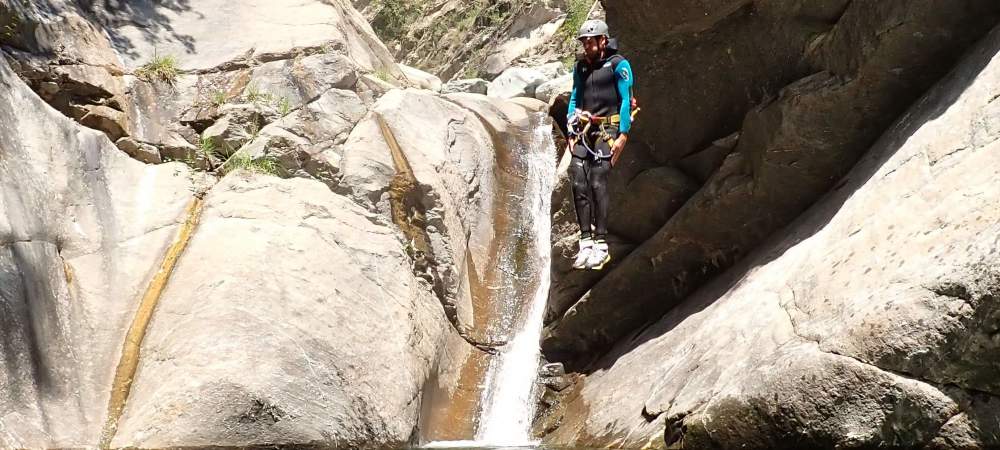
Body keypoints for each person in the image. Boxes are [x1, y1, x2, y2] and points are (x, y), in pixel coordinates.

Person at [565, 19, 635, 270]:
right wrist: (570, 129)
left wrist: (623, 135)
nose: (586, 46)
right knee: (577, 178)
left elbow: (626, 100)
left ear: (603, 40)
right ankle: (585, 241)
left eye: (590, 41)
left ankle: (602, 243)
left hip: (609, 128)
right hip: (584, 129)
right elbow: (575, 97)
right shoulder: (581, 68)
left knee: (597, 179)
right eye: (584, 42)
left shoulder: (618, 65)